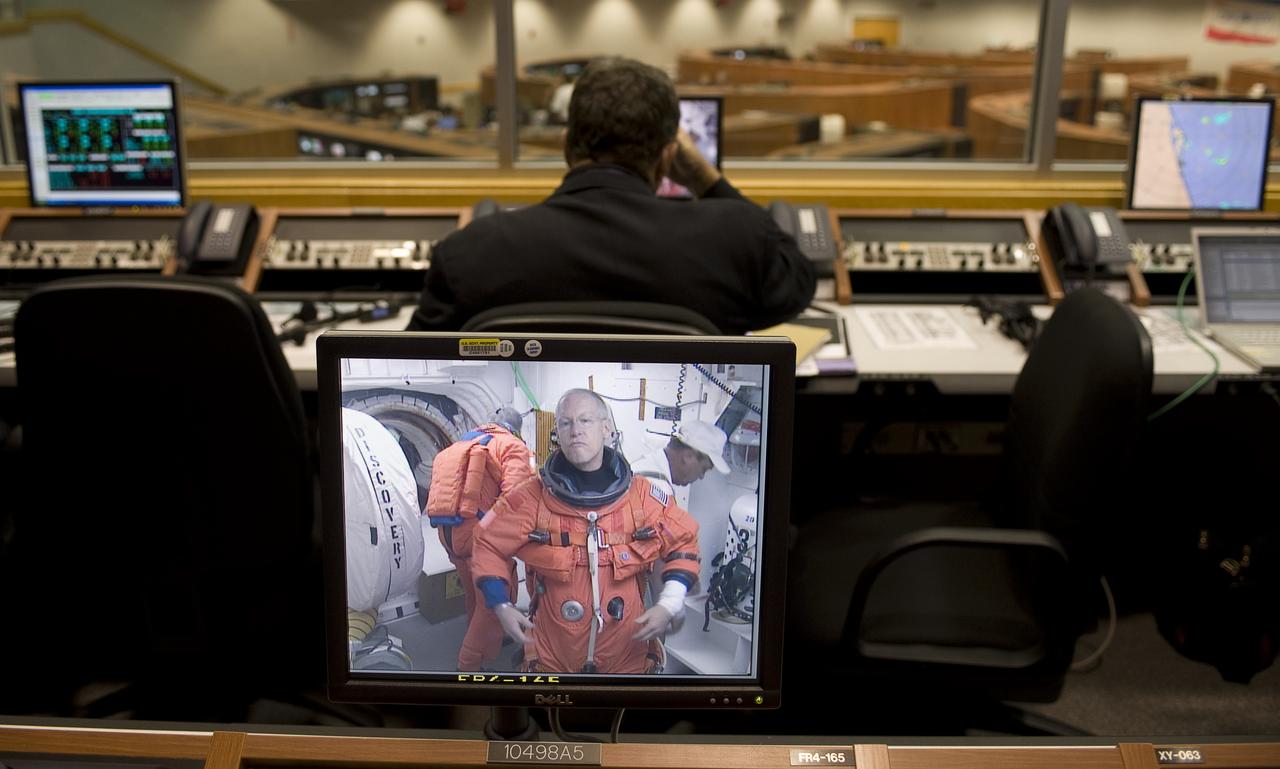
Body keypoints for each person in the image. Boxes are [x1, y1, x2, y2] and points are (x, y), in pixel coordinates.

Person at [408, 56, 816, 335]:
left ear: (567, 146)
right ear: (669, 156)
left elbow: (402, 355)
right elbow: (798, 285)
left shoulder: (469, 253)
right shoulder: (734, 241)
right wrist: (707, 180)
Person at [470, 389, 700, 674]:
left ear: (606, 428)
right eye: (566, 423)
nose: (575, 431)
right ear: (557, 433)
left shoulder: (644, 498)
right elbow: (487, 542)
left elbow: (684, 542)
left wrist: (670, 602)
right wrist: (501, 605)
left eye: (585, 421)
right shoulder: (530, 499)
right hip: (554, 652)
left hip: (627, 652)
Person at [425, 406, 534, 670]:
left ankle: (486, 642)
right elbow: (518, 496)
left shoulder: (462, 443)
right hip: (479, 536)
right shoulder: (512, 446)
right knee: (495, 600)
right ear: (515, 429)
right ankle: (469, 665)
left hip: (448, 533)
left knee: (474, 595)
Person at [630, 420, 731, 498]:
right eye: (703, 469)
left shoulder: (644, 463)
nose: (701, 476)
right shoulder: (660, 489)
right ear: (688, 456)